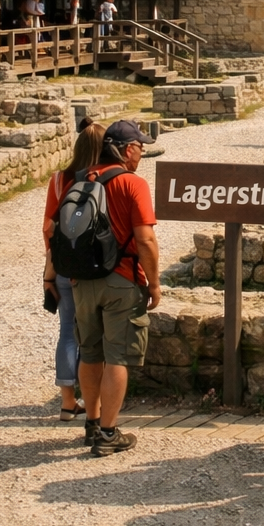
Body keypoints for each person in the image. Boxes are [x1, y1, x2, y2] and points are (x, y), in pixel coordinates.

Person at [72, 120, 160, 456]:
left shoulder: (81, 178)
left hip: (82, 280)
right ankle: (108, 434)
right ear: (125, 150)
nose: (142, 150)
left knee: (90, 352)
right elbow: (145, 238)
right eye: (139, 145)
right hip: (121, 278)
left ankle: (92, 422)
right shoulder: (132, 183)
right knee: (117, 356)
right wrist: (154, 283)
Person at [42, 120, 106, 424]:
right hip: (96, 269)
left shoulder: (58, 180)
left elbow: (48, 228)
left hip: (65, 267)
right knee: (98, 335)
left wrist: (50, 271)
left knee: (67, 332)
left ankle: (68, 403)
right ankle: (98, 401)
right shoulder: (105, 179)